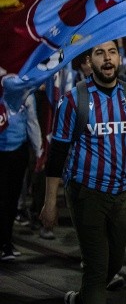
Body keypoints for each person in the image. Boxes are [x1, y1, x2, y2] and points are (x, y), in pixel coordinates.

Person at [40, 40, 126, 304]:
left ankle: (78, 299)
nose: (107, 59)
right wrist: (50, 202)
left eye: (112, 53)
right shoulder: (74, 100)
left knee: (113, 263)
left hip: (121, 195)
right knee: (97, 270)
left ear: (119, 59)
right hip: (86, 193)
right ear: (89, 62)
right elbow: (57, 154)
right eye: (99, 53)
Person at [0, 93, 43, 261]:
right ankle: (4, 243)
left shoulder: (25, 94)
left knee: (12, 199)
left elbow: (32, 122)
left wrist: (39, 151)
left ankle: (7, 240)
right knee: (2, 198)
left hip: (18, 151)